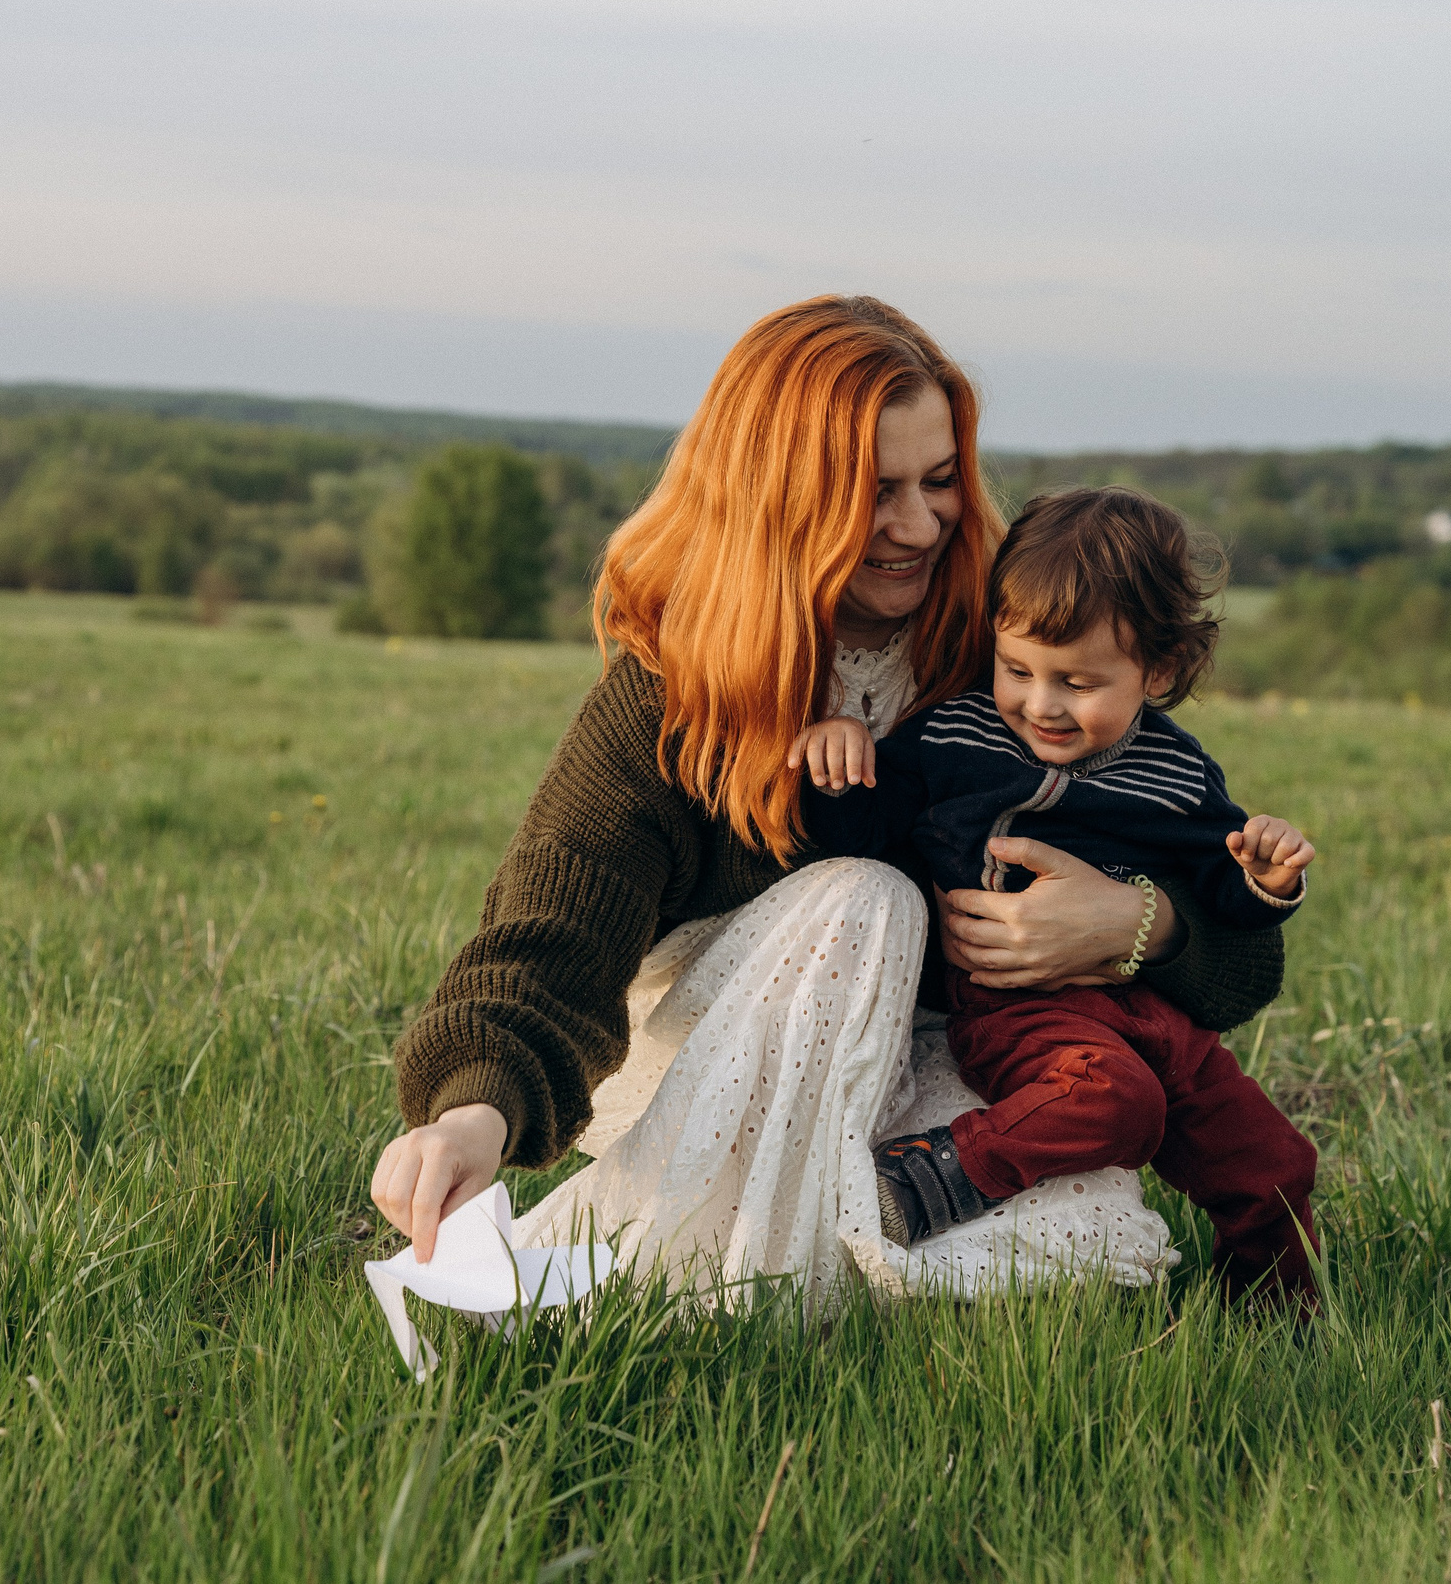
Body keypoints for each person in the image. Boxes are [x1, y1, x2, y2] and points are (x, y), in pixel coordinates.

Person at [369, 295, 1286, 1304]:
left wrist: (1136, 924)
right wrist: (470, 1114)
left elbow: (1227, 955)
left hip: (936, 1051)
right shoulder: (672, 692)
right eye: (872, 490)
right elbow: (549, 938)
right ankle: (681, 1274)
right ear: (778, 495)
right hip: (732, 1055)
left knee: (1092, 1257)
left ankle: (806, 1250)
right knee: (866, 896)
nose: (918, 524)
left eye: (939, 481)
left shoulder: (1005, 650)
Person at [794, 485, 1321, 1301]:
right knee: (1117, 1100)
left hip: (1161, 1019)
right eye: (1017, 669)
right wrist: (839, 765)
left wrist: (1265, 878)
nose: (1041, 705)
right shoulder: (958, 736)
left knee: (1281, 1164)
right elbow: (867, 833)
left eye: (1077, 682)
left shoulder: (1179, 772)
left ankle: (1275, 1318)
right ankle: (927, 1176)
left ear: (1160, 668)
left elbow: (1224, 894)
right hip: (1020, 1009)